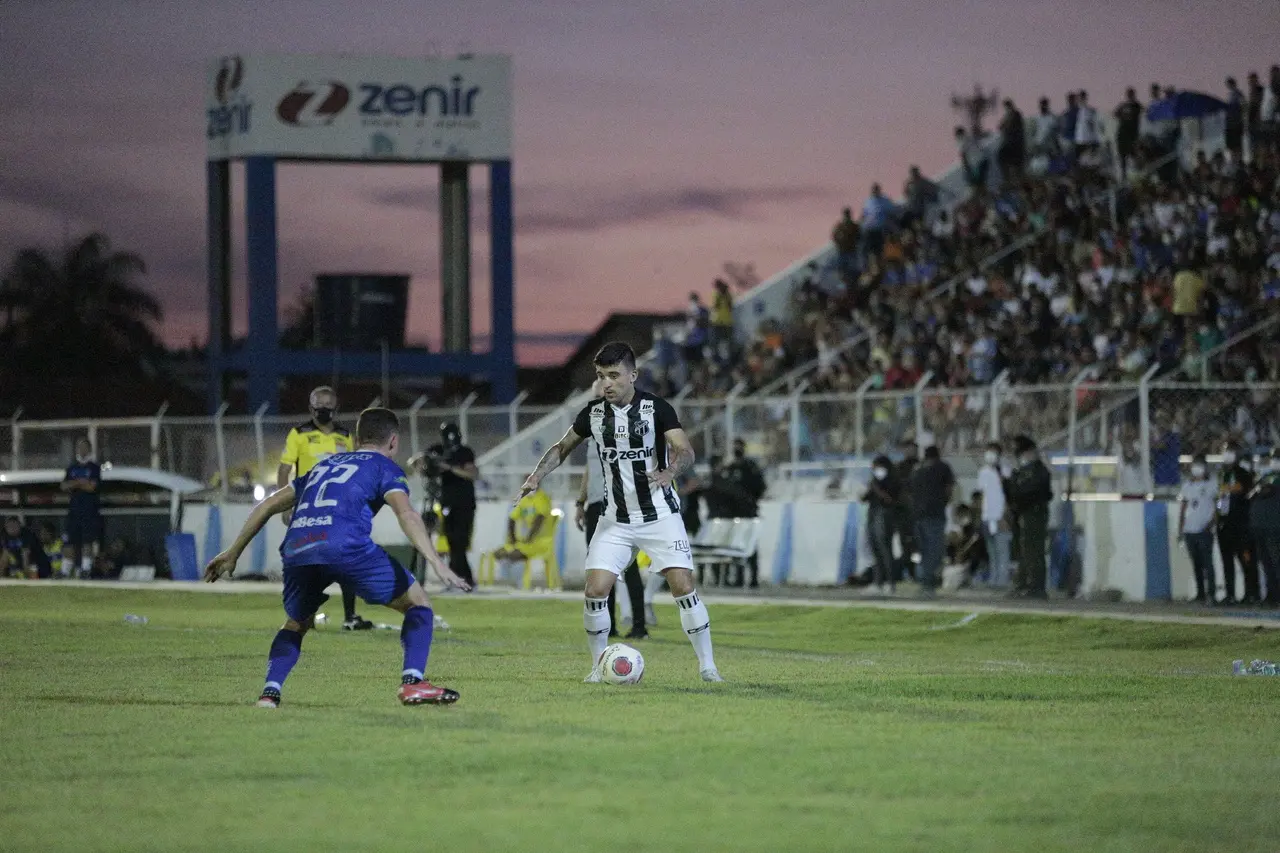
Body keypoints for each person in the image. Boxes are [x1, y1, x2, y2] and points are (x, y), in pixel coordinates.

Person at [204, 407, 470, 708]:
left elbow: (267, 505)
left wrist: (233, 552)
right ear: (393, 442)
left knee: (295, 623)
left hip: (299, 546)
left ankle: (269, 694)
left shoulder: (323, 465)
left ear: (357, 438)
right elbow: (406, 513)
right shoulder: (385, 467)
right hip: (345, 546)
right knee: (418, 603)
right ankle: (412, 683)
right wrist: (435, 562)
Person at [516, 341, 722, 683]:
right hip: (614, 520)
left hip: (660, 516)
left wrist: (670, 471)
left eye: (614, 375)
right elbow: (561, 448)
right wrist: (537, 476)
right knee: (595, 590)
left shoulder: (657, 409)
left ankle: (708, 666)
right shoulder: (593, 414)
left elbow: (685, 450)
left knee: (683, 586)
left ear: (633, 375)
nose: (607, 383)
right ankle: (597, 668)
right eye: (601, 376)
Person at [277, 386, 370, 631]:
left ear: (336, 409)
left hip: (338, 509)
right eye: (320, 407)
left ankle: (350, 617)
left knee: (346, 560)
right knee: (306, 563)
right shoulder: (299, 434)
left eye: (329, 407)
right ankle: (303, 615)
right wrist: (284, 505)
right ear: (310, 408)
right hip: (307, 508)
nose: (324, 412)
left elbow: (354, 472)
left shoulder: (346, 436)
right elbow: (284, 469)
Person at [574, 378, 648, 640]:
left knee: (628, 567)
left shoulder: (624, 425)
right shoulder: (593, 428)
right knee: (600, 568)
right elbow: (589, 468)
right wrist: (580, 502)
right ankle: (611, 625)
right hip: (595, 506)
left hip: (621, 506)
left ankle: (639, 626)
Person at [430, 422, 479, 589]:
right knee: (453, 543)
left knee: (460, 543)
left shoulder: (465, 452)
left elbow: (472, 474)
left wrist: (449, 468)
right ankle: (462, 580)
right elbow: (416, 461)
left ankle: (461, 580)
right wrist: (428, 462)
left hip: (464, 504)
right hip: (447, 504)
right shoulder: (439, 450)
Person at [1006, 435, 1053, 599]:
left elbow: (1034, 492)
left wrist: (1018, 493)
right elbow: (1013, 490)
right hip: (1023, 514)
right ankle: (1023, 583)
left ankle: (1036, 586)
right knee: (1024, 551)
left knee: (1034, 551)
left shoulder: (1039, 471)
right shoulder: (1022, 472)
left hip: (1035, 514)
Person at [907, 444, 954, 597]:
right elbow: (949, 488)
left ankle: (923, 580)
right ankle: (928, 583)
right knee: (935, 550)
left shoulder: (917, 470)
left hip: (917, 515)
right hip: (934, 514)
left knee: (923, 550)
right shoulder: (943, 468)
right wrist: (943, 502)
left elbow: (909, 491)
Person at [720, 438, 766, 587]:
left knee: (751, 546)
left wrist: (751, 500)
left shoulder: (750, 467)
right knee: (735, 546)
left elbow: (761, 486)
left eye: (739, 446)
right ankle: (738, 578)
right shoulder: (730, 468)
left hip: (749, 512)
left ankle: (753, 578)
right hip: (735, 513)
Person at [1217, 443, 1257, 605]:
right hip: (1224, 523)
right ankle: (1230, 594)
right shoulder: (1222, 474)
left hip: (1240, 524)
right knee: (1227, 561)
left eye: (1230, 452)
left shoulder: (1243, 473)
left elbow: (1242, 490)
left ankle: (1251, 593)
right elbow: (1220, 498)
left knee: (1245, 560)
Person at [494, 481, 554, 584]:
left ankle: (520, 582)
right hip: (525, 542)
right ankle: (514, 580)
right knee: (499, 553)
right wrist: (513, 539)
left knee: (513, 554)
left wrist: (529, 539)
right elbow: (512, 519)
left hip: (541, 542)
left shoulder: (543, 498)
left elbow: (540, 518)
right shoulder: (524, 499)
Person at [1178, 454, 1218, 604]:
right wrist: (1181, 529)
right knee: (1196, 564)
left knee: (1208, 563)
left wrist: (1213, 521)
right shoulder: (1187, 486)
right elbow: (1183, 508)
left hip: (1204, 529)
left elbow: (1218, 504)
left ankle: (1211, 594)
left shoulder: (1211, 484)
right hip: (1190, 530)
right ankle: (1200, 593)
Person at [60, 437, 101, 579]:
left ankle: (85, 570)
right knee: (69, 542)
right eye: (79, 447)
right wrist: (80, 482)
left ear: (89, 449)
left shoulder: (94, 467)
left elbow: (92, 487)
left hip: (89, 511)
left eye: (84, 447)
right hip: (74, 511)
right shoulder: (71, 468)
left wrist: (75, 484)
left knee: (87, 542)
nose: (81, 450)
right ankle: (65, 571)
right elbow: (64, 486)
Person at [862, 455, 902, 595]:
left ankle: (890, 582)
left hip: (885, 515)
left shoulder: (892, 480)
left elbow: (889, 499)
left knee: (885, 549)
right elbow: (864, 497)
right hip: (872, 514)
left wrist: (876, 489)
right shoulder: (874, 481)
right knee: (875, 550)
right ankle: (877, 582)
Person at [1247, 450, 1280, 607]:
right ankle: (1271, 595)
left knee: (1276, 562)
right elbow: (1251, 494)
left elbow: (1265, 490)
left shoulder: (1274, 478)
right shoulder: (1265, 476)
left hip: (1274, 526)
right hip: (1259, 525)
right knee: (1266, 563)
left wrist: (1261, 486)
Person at [977, 442, 1012, 587]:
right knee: (992, 551)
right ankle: (994, 578)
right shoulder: (983, 472)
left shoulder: (1005, 471)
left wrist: (1005, 515)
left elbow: (1009, 494)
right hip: (987, 517)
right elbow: (982, 494)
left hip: (1000, 517)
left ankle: (1002, 580)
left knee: (1002, 550)